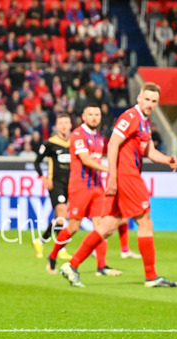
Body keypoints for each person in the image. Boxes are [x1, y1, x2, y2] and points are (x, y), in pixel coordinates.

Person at [60, 83, 177, 288]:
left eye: (154, 101)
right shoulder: (131, 117)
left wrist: (167, 159)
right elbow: (113, 143)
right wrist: (113, 177)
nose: (150, 104)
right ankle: (151, 276)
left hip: (126, 176)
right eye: (147, 99)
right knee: (145, 221)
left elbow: (150, 152)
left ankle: (72, 265)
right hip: (127, 176)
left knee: (107, 227)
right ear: (139, 97)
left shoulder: (145, 122)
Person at [45, 103, 122, 277]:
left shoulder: (99, 136)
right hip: (80, 187)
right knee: (73, 227)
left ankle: (101, 266)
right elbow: (86, 160)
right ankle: (53, 254)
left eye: (97, 115)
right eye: (91, 115)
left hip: (97, 187)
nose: (94, 118)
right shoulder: (78, 134)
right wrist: (110, 169)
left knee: (101, 226)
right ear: (84, 117)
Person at [32, 113, 73, 260]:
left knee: (59, 217)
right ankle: (61, 249)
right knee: (62, 213)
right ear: (56, 126)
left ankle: (40, 241)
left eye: (66, 122)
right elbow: (37, 162)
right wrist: (43, 178)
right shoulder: (50, 143)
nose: (64, 126)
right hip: (55, 183)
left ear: (70, 125)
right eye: (61, 123)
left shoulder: (74, 143)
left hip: (70, 184)